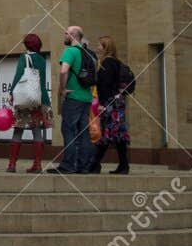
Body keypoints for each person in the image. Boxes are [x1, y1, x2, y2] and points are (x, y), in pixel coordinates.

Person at [48, 24, 96, 174]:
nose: (64, 36)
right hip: (86, 97)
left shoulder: (70, 51)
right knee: (84, 132)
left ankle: (68, 166)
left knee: (68, 129)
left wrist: (62, 89)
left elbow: (64, 71)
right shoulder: (90, 54)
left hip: (73, 96)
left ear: (73, 36)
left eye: (66, 33)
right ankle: (84, 166)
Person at [6, 32, 50, 173]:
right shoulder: (42, 60)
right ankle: (37, 165)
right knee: (37, 131)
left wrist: (11, 92)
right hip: (40, 99)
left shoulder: (24, 57)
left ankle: (12, 165)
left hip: (25, 99)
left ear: (26, 45)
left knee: (18, 130)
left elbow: (19, 76)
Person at [89, 35, 133, 174]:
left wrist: (102, 103)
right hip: (117, 101)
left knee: (107, 133)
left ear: (105, 47)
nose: (97, 47)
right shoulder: (117, 62)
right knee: (118, 134)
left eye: (100, 45)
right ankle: (123, 165)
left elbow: (104, 85)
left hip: (109, 102)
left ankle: (95, 164)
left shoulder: (106, 63)